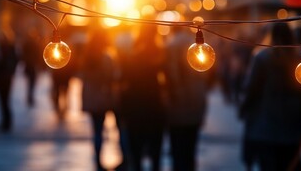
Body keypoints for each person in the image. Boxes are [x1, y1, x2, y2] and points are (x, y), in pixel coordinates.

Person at [239, 22, 301, 171]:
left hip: (266, 128)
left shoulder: (261, 57)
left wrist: (244, 109)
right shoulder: (300, 61)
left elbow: (251, 88)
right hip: (293, 127)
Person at [120, 23, 167, 171]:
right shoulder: (160, 55)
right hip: (155, 109)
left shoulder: (134, 56)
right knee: (156, 154)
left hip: (135, 111)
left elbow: (125, 83)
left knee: (136, 154)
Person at [165, 27, 212, 171]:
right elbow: (209, 74)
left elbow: (170, 74)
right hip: (196, 104)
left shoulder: (171, 45)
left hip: (177, 107)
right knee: (190, 149)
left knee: (177, 149)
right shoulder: (195, 45)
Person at [81, 27, 116, 171]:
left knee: (96, 130)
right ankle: (99, 160)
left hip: (90, 97)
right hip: (102, 97)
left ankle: (97, 159)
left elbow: (82, 76)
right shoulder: (106, 58)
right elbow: (111, 77)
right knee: (100, 129)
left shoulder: (86, 57)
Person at [0, 27, 18, 132]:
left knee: (4, 99)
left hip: (4, 76)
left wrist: (11, 71)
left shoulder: (7, 48)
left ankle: (6, 121)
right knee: (3, 99)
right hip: (2, 76)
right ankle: (6, 121)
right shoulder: (5, 47)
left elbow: (15, 60)